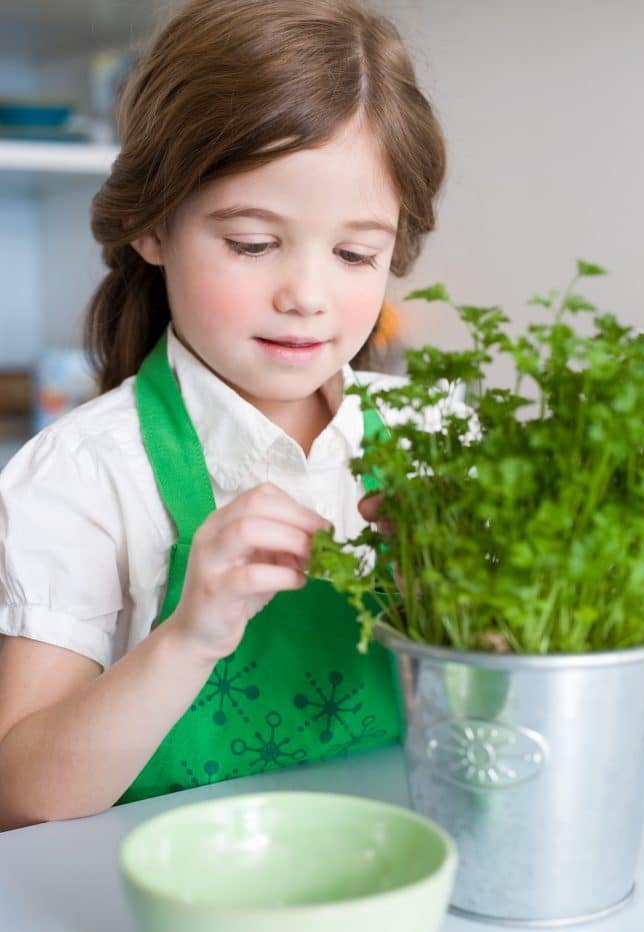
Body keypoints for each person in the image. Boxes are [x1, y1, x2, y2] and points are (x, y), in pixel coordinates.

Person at [0, 0, 447, 828]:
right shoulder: (89, 477)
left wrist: (469, 611)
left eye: (355, 254)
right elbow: (16, 795)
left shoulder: (438, 438)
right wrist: (188, 638)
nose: (307, 296)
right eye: (251, 242)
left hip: (398, 893)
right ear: (151, 224)